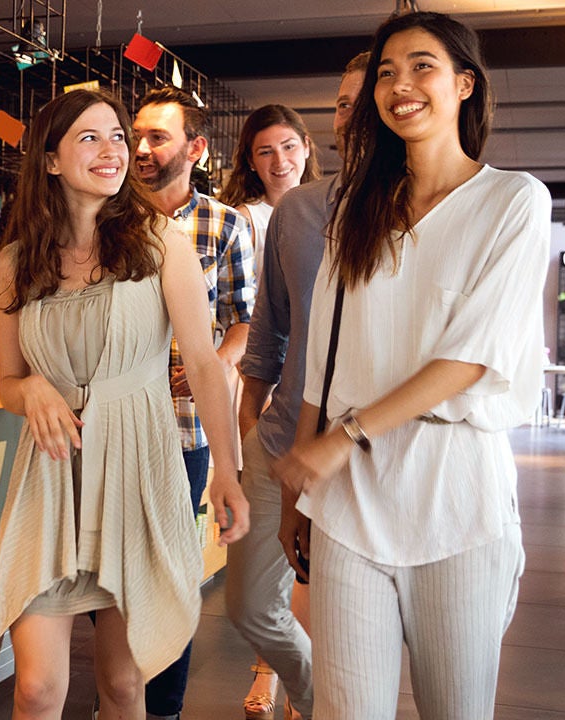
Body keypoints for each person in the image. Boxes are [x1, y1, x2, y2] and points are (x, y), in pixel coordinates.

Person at [274, 12, 547, 718]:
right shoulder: (357, 213)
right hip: (348, 502)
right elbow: (321, 359)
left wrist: (345, 436)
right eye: (387, 73)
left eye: (422, 66)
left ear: (464, 83)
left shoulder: (514, 202)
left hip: (456, 498)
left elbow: (471, 357)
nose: (401, 85)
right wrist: (297, 493)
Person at [0, 88, 249, 720]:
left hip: (137, 472)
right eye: (89, 138)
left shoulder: (160, 245)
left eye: (117, 138)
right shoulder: (15, 263)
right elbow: (9, 382)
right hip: (50, 482)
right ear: (49, 161)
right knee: (38, 689)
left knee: (124, 685)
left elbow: (207, 367)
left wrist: (228, 474)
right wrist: (33, 389)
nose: (112, 151)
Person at [226, 52, 369, 720]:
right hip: (281, 440)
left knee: (340, 614)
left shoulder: (431, 213)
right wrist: (251, 428)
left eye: (288, 146)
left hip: (363, 453)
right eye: (341, 103)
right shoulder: (296, 214)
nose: (354, 113)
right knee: (249, 605)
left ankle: (324, 704)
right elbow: (268, 331)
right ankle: (315, 694)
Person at [130, 84, 257, 720]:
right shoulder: (106, 215)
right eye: (138, 136)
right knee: (114, 578)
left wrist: (216, 363)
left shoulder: (225, 224)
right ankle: (116, 698)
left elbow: (245, 319)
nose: (141, 149)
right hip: (111, 427)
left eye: (158, 136)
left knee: (173, 578)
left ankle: (163, 710)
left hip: (184, 432)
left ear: (196, 148)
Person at [217, 105, 320, 281]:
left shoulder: (326, 210)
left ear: (306, 147)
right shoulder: (245, 220)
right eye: (266, 152)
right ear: (251, 161)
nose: (279, 161)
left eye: (288, 147)